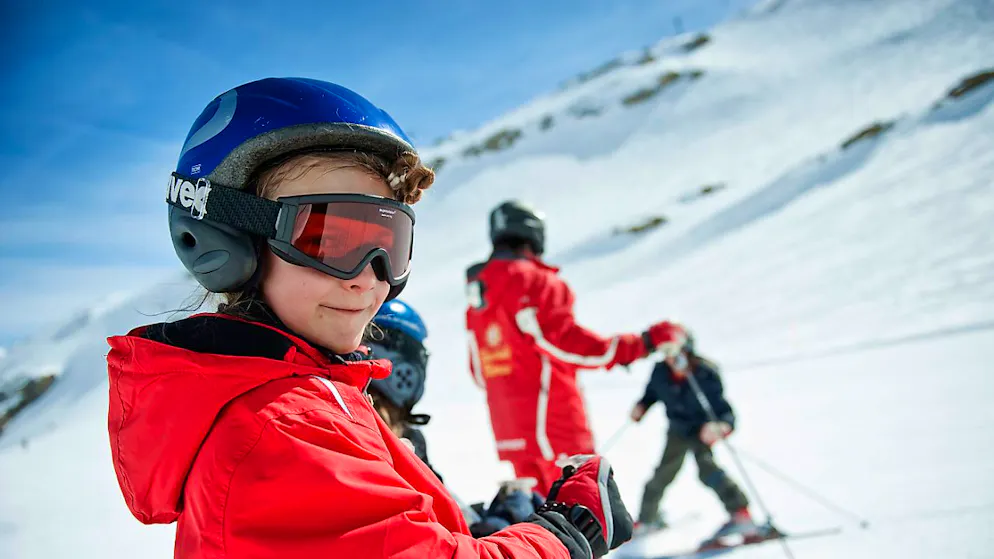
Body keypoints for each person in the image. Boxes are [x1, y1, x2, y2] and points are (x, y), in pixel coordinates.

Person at [106, 77, 633, 559]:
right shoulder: (284, 429)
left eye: (388, 244)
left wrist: (484, 525)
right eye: (327, 238)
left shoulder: (307, 397)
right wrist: (566, 534)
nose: (367, 278)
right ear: (224, 240)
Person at [465, 199, 688, 496]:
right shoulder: (536, 281)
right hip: (555, 429)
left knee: (539, 518)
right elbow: (565, 342)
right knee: (584, 512)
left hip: (511, 433)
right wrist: (642, 344)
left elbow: (479, 371)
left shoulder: (478, 294)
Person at [365, 299, 546, 537]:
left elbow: (441, 512)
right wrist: (500, 524)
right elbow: (426, 537)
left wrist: (484, 518)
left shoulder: (406, 436)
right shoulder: (374, 437)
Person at [630, 337, 757, 539]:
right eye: (666, 353)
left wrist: (720, 426)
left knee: (708, 470)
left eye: (675, 353)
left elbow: (724, 410)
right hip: (678, 430)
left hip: (702, 430)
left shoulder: (705, 373)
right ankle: (647, 520)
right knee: (663, 474)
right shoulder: (661, 372)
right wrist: (641, 407)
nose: (671, 359)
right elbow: (651, 394)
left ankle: (742, 515)